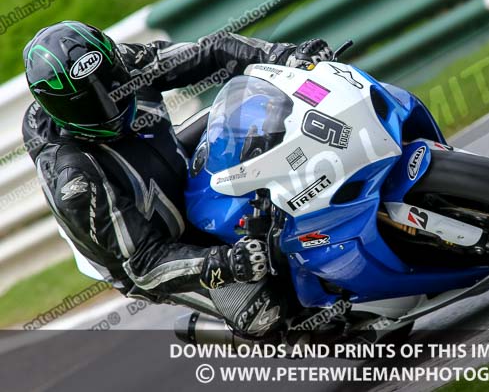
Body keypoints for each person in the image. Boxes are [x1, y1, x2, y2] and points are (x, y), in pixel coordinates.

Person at [22, 20, 332, 337]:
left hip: (173, 163)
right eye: (90, 104)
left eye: (112, 85)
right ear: (59, 110)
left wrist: (287, 57)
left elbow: (211, 52)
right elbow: (143, 264)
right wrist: (221, 262)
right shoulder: (73, 177)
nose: (109, 103)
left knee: (263, 120)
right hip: (151, 249)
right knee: (263, 310)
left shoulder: (127, 63)